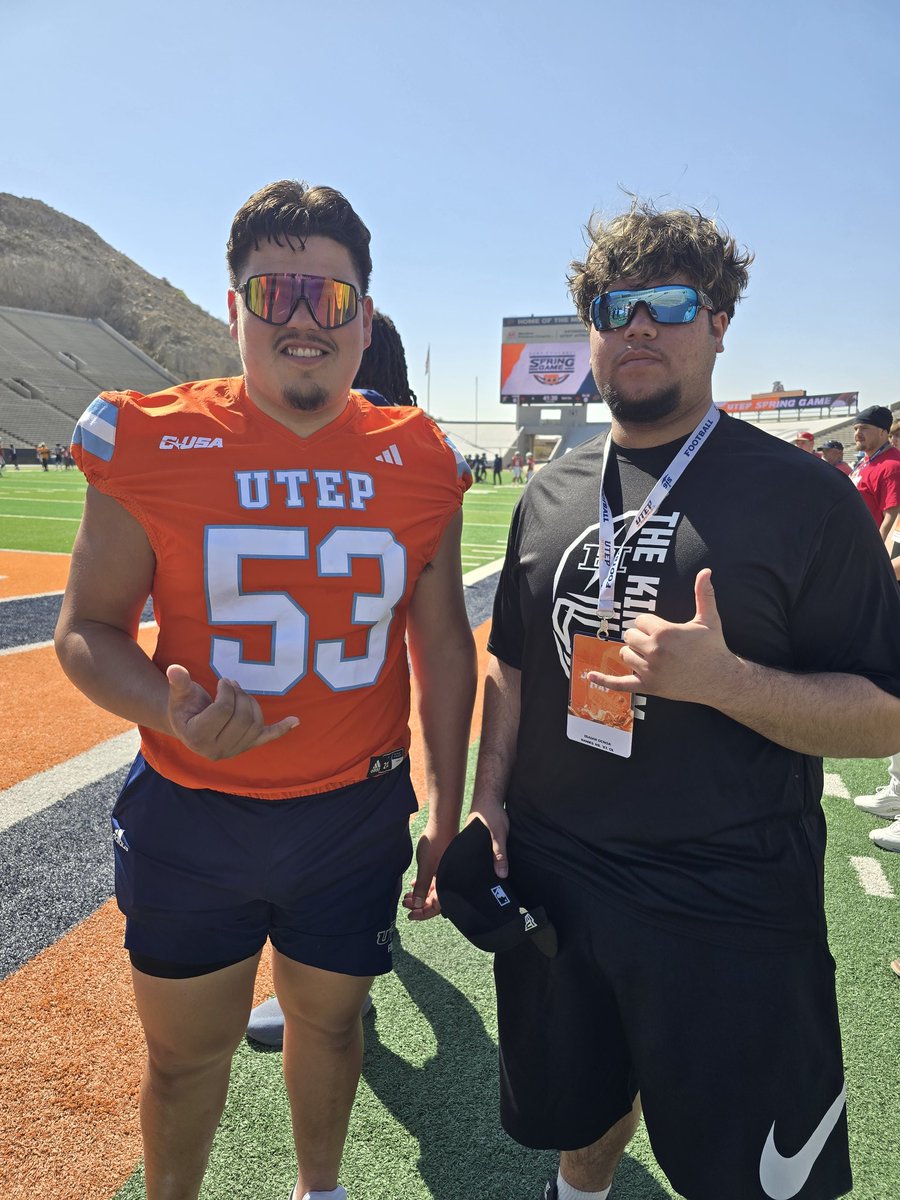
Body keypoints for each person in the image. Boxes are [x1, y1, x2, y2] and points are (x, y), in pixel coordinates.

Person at [466, 200, 900, 1200]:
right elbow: (516, 663)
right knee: (580, 1112)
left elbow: (887, 705)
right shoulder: (553, 488)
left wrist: (727, 684)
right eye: (617, 306)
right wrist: (489, 799)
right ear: (592, 332)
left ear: (719, 323)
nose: (639, 326)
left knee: (750, 1174)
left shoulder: (802, 497)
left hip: (730, 891)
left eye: (669, 302)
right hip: (559, 869)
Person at [55, 179, 476, 1200]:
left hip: (352, 811)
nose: (301, 317)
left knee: (331, 1024)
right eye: (273, 292)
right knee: (185, 1057)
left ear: (363, 319)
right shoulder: (146, 437)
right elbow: (85, 632)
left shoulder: (422, 458)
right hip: (192, 814)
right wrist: (169, 710)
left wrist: (448, 806)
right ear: (234, 303)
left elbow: (445, 647)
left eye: (328, 298)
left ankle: (319, 1189)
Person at [246, 304, 420, 1050]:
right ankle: (357, 960)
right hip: (376, 702)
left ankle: (331, 985)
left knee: (312, 870)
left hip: (304, 712)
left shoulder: (331, 432)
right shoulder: (413, 441)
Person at [850, 404, 900, 548]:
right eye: (855, 428)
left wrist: (876, 554)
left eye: (864, 428)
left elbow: (892, 516)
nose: (857, 433)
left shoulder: (892, 466)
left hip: (866, 550)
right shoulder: (866, 461)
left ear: (883, 432)